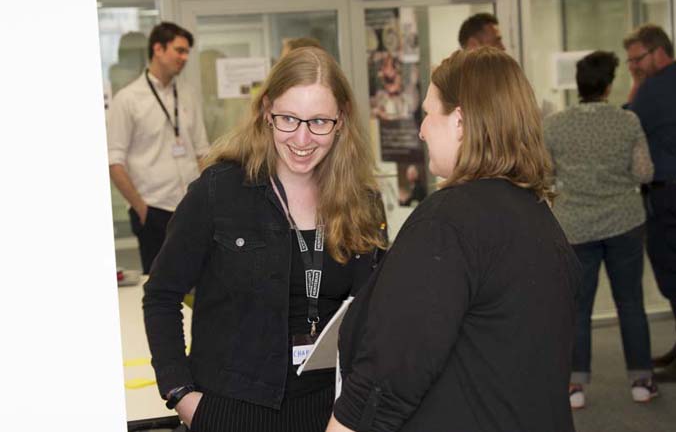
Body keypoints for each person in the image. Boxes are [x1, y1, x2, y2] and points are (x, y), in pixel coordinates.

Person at [326, 47, 581, 432]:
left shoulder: (447, 222)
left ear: (459, 122)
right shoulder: (537, 216)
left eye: (428, 114)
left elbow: (392, 371)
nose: (422, 129)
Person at [143, 47, 387, 432]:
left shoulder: (362, 201)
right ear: (266, 111)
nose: (303, 138)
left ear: (341, 121)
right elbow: (161, 294)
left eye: (319, 121)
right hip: (233, 408)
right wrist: (181, 395)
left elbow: (372, 313)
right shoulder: (219, 191)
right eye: (288, 119)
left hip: (332, 411)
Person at [544, 51, 656, 408]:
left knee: (577, 308)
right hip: (624, 222)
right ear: (609, 86)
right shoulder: (628, 121)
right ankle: (641, 380)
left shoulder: (555, 125)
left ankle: (575, 386)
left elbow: (545, 176)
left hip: (576, 225)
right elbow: (644, 173)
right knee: (631, 303)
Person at [107, 22, 209, 274]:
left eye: (187, 52)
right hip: (153, 209)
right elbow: (113, 161)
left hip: (189, 207)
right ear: (158, 49)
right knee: (159, 288)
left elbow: (202, 152)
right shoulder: (128, 99)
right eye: (179, 50)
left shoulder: (187, 95)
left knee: (199, 280)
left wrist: (208, 200)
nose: (184, 58)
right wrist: (141, 208)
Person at [624, 24, 676, 376]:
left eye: (637, 60)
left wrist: (637, 86)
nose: (633, 68)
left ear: (659, 52)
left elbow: (626, 123)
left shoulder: (655, 88)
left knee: (671, 271)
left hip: (667, 195)